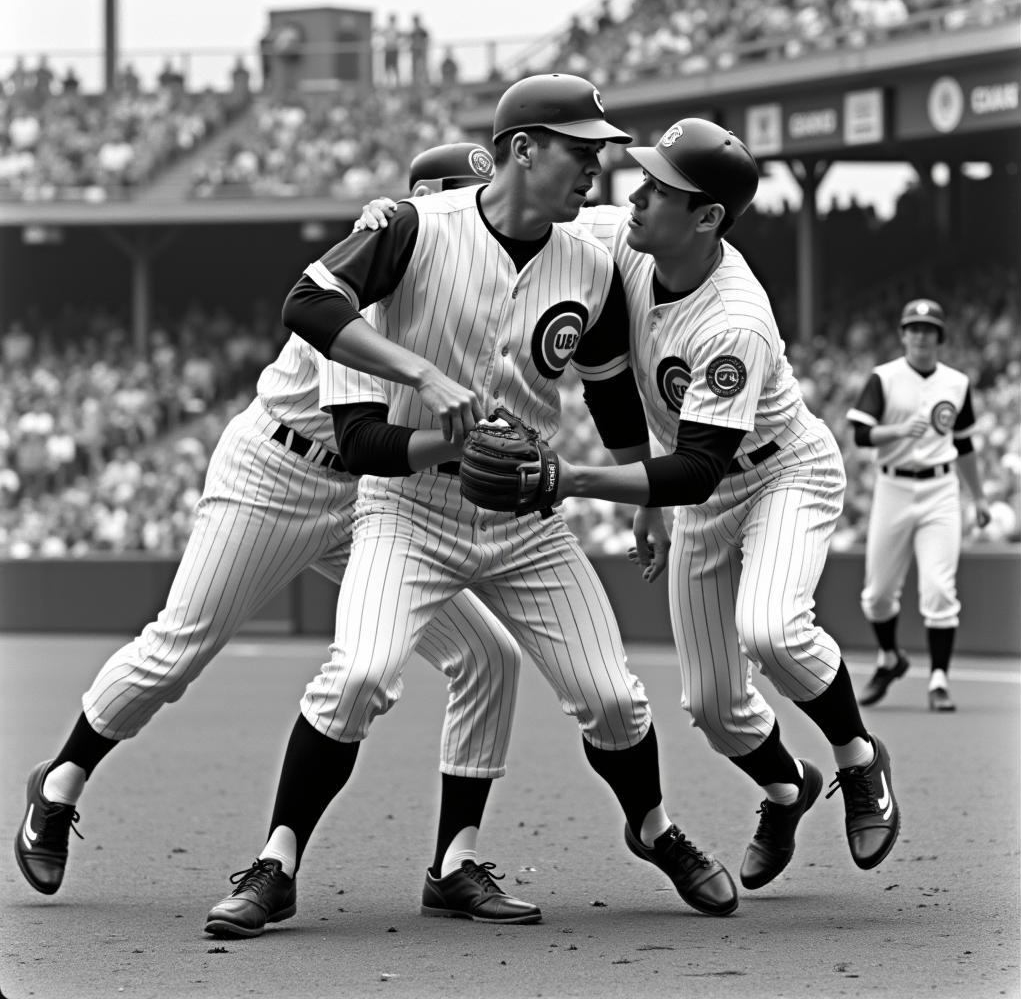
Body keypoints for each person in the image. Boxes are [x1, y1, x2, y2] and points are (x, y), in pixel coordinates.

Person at [214, 74, 741, 940]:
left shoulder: (591, 256)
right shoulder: (417, 229)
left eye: (603, 154)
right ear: (523, 149)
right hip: (409, 510)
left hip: (527, 520)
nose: (597, 170)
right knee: (359, 674)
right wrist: (419, 379)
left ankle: (649, 830)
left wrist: (641, 490)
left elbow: (607, 382)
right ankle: (277, 864)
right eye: (581, 151)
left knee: (613, 700)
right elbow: (307, 305)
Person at [14, 145, 526, 939]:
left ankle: (455, 862)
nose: (475, 213)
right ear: (419, 205)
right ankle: (60, 784)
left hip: (372, 494)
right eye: (459, 196)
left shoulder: (484, 292)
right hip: (278, 470)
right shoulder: (382, 260)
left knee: (487, 656)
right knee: (176, 648)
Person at [449, 117, 902, 891]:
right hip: (699, 492)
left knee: (773, 629)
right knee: (716, 707)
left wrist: (574, 480)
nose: (639, 192)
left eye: (662, 187)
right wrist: (405, 211)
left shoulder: (733, 321)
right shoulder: (627, 235)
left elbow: (694, 469)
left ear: (707, 218)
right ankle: (787, 788)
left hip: (779, 473)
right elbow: (505, 202)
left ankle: (860, 759)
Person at [847, 298, 991, 712]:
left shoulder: (957, 383)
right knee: (876, 596)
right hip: (893, 488)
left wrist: (979, 497)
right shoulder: (884, 377)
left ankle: (939, 680)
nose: (921, 336)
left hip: (941, 490)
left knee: (940, 589)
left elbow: (963, 443)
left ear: (939, 337)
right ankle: (890, 658)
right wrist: (897, 431)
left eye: (928, 330)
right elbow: (860, 435)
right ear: (903, 334)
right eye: (914, 328)